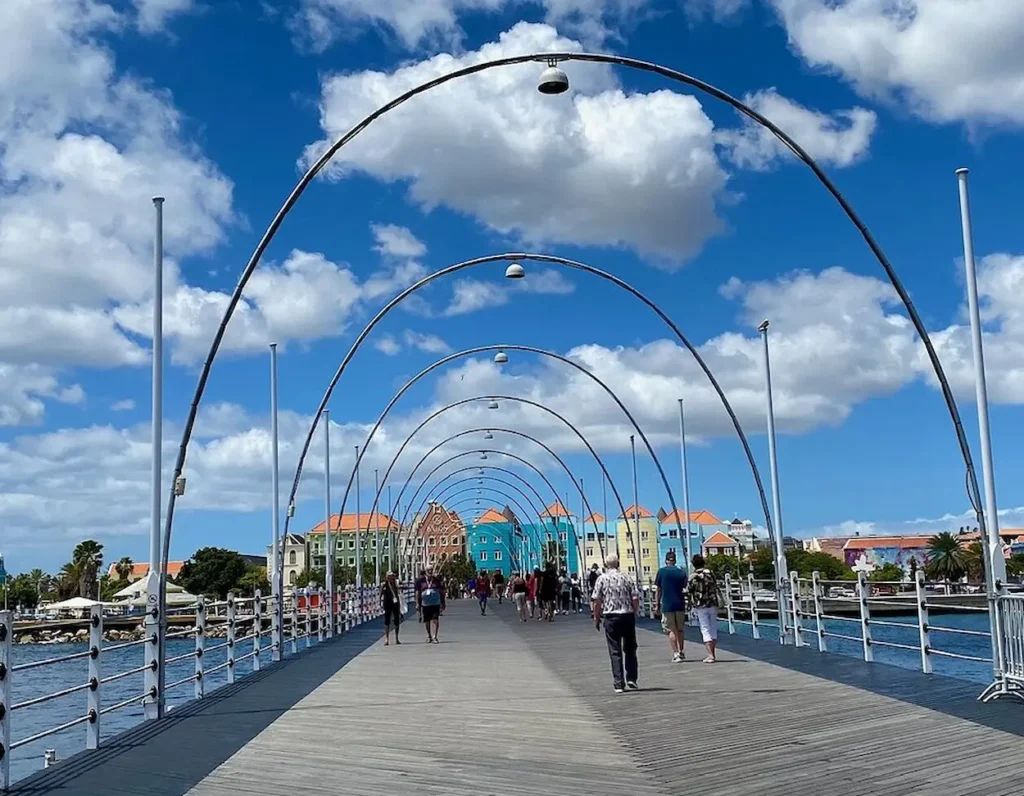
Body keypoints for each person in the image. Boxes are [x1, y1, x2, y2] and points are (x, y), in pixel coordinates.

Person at [591, 554, 640, 693]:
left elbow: (596, 600)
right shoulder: (627, 577)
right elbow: (635, 597)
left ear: (606, 565)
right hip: (627, 615)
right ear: (618, 564)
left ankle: (618, 682)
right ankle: (631, 678)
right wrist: (634, 612)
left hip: (611, 617)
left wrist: (596, 617)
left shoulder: (601, 579)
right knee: (630, 648)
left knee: (614, 650)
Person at [654, 550, 688, 662]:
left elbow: (658, 590)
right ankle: (681, 651)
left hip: (667, 605)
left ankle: (676, 653)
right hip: (680, 604)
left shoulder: (661, 572)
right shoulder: (681, 573)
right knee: (680, 630)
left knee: (671, 630)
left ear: (666, 560)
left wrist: (656, 604)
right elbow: (685, 588)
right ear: (675, 560)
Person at [687, 554, 720, 663]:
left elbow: (689, 590)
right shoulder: (710, 573)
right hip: (713, 603)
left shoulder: (693, 576)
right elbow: (715, 585)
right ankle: (713, 653)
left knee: (705, 629)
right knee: (713, 628)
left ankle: (710, 655)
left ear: (693, 564)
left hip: (700, 604)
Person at [418, 566, 446, 643]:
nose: (430, 571)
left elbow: (442, 592)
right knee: (427, 620)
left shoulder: (437, 580)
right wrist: (417, 603)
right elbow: (418, 592)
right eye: (428, 570)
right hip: (425, 604)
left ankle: (435, 636)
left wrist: (443, 602)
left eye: (431, 570)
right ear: (425, 571)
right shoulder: (421, 581)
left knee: (435, 619)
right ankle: (428, 635)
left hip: (435, 603)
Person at [380, 571, 403, 646]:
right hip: (387, 603)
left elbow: (400, 590)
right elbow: (380, 594)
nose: (391, 578)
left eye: (392, 576)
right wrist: (379, 603)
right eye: (389, 576)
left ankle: (397, 637)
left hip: (395, 603)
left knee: (397, 620)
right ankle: (387, 638)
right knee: (387, 620)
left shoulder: (395, 584)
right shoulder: (384, 584)